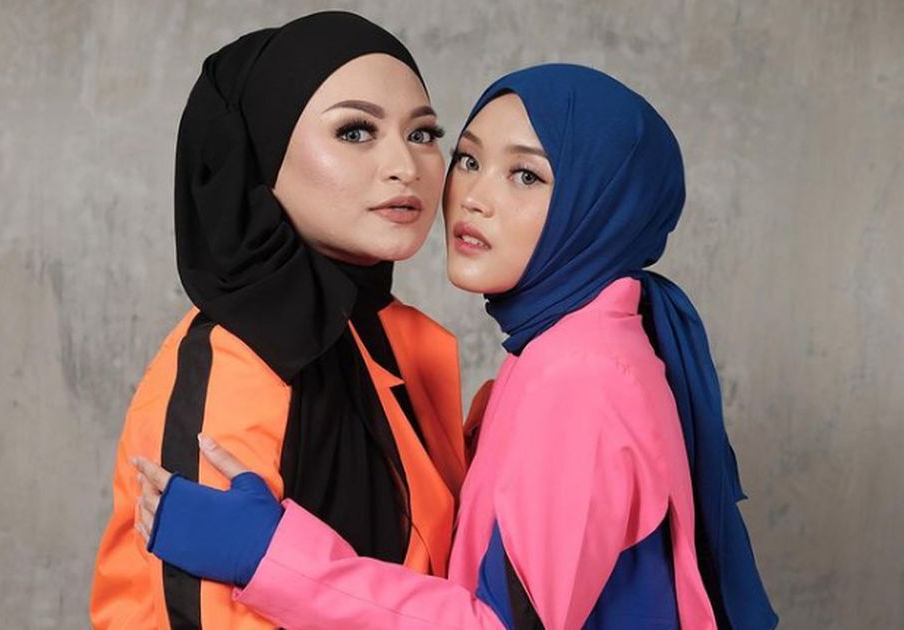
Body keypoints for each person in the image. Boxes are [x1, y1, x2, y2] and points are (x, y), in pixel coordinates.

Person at [134, 64, 778, 629]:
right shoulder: (563, 343)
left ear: (602, 208)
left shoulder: (582, 377)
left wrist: (266, 554)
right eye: (468, 160)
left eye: (525, 175)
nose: (474, 198)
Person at [91, 12, 467, 630]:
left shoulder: (395, 340)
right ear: (264, 156)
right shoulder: (237, 361)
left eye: (423, 133)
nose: (406, 165)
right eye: (355, 131)